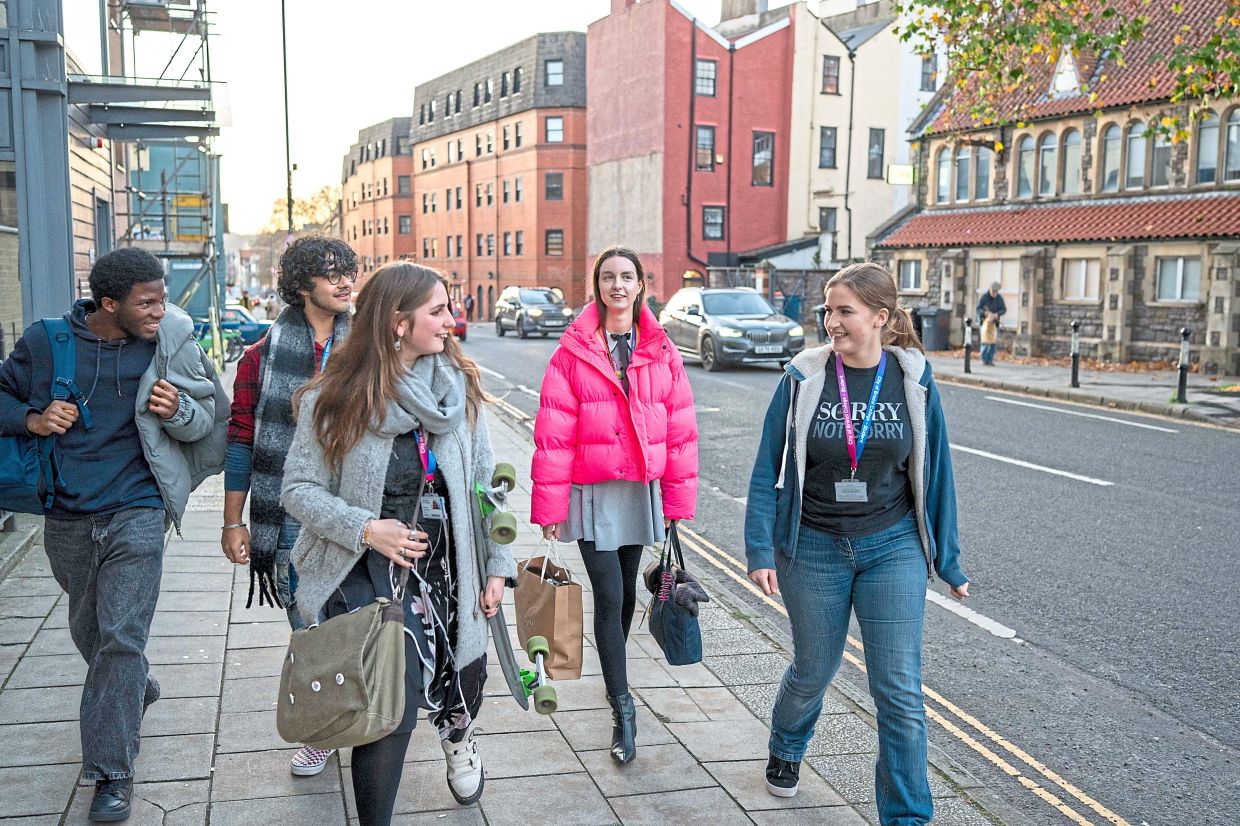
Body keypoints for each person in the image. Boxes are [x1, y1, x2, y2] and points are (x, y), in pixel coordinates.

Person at [280, 262, 515, 825]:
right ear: (396, 322)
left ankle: (458, 731)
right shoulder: (333, 398)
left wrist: (497, 563)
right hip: (367, 574)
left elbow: (486, 485)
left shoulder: (456, 390)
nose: (450, 320)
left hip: (450, 568)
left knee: (459, 678)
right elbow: (297, 488)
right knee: (389, 708)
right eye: (437, 311)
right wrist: (366, 527)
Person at [0, 247, 228, 822]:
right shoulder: (47, 343)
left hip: (138, 508)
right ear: (108, 304)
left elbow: (209, 421)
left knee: (121, 636)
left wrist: (177, 410)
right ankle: (134, 687)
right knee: (91, 631)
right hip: (68, 513)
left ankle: (112, 772)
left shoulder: (170, 341)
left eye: (162, 298)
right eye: (146, 302)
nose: (160, 310)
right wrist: (32, 419)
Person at [744, 262, 969, 825]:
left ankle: (907, 816)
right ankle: (788, 745)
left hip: (892, 545)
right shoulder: (803, 377)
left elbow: (935, 470)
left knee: (897, 688)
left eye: (844, 311)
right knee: (814, 669)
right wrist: (759, 549)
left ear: (881, 318)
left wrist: (949, 558)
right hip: (813, 545)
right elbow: (766, 467)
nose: (831, 321)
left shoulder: (913, 379)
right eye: (828, 310)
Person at [531, 246, 699, 765]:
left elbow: (679, 430)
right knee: (607, 595)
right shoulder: (573, 349)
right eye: (609, 277)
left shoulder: (662, 348)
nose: (618, 286)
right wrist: (550, 509)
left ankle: (614, 669)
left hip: (639, 489)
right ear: (597, 285)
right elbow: (554, 434)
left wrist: (676, 500)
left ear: (641, 285)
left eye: (627, 277)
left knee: (626, 593)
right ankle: (623, 707)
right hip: (593, 490)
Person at [221, 235, 356, 778]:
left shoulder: (373, 348)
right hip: (290, 516)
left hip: (358, 509)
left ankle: (369, 712)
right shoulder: (260, 357)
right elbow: (241, 436)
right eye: (331, 273)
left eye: (350, 270)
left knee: (362, 616)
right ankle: (322, 730)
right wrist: (234, 520)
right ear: (302, 286)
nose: (346, 281)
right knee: (308, 625)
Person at [976, 281, 1006, 365]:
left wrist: (997, 314)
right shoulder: (984, 298)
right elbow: (978, 309)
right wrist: (985, 313)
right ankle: (983, 359)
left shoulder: (999, 298)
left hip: (994, 322)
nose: (994, 293)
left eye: (996, 291)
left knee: (993, 342)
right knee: (985, 341)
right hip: (984, 322)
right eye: (993, 291)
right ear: (990, 289)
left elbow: (1003, 309)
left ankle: (990, 360)